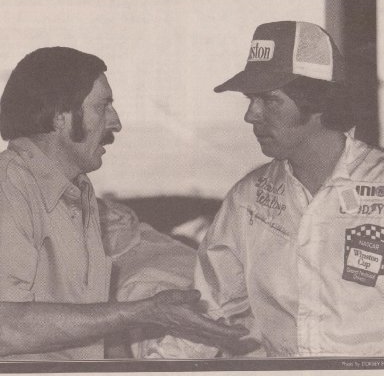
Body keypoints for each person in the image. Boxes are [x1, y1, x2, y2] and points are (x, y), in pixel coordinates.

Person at [143, 20, 384, 358]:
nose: (250, 115)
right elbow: (210, 313)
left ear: (316, 103)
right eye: (250, 99)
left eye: (269, 101)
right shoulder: (250, 198)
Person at [0, 47, 250, 360]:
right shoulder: (9, 187)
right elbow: (4, 328)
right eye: (103, 107)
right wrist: (144, 313)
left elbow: (91, 322)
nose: (116, 123)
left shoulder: (77, 192)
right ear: (59, 115)